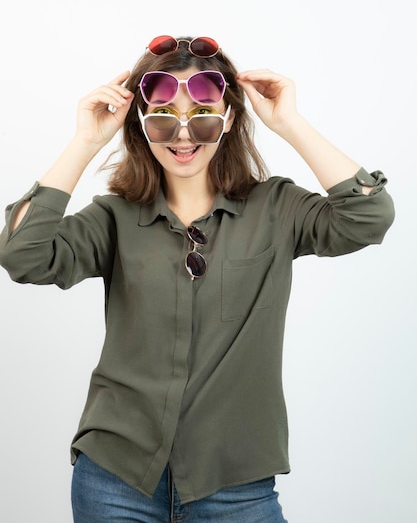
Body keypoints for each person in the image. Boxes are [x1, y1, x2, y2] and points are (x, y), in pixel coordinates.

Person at [0, 35, 395, 522]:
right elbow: (23, 256)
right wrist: (84, 142)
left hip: (235, 485)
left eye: (202, 117)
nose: (183, 136)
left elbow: (369, 215)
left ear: (228, 120)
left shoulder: (277, 209)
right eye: (164, 119)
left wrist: (289, 123)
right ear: (142, 126)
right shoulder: (114, 218)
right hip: (115, 482)